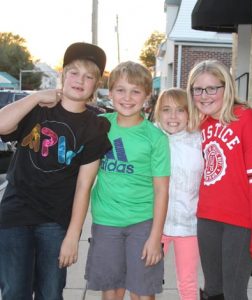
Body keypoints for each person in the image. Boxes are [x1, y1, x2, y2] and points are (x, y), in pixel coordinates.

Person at [0, 42, 112, 300]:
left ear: (95, 85)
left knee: (50, 293)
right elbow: (2, 124)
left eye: (89, 76)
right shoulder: (38, 110)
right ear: (63, 75)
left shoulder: (95, 127)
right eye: (74, 72)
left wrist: (74, 235)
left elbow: (85, 185)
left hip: (55, 221)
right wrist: (37, 96)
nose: (80, 80)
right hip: (15, 215)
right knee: (14, 291)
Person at [84, 61, 170, 300]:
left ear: (147, 96)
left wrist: (155, 237)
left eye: (135, 91)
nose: (127, 97)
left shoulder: (155, 138)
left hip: (142, 222)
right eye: (120, 90)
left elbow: (162, 190)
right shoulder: (101, 126)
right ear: (109, 93)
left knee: (143, 290)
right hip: (106, 221)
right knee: (111, 288)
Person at [186, 59, 252, 300]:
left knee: (233, 293)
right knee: (213, 290)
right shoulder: (198, 123)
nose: (204, 95)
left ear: (227, 87)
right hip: (207, 218)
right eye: (198, 89)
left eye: (212, 88)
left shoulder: (246, 118)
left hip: (239, 222)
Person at [154, 88, 203, 300]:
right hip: (156, 225)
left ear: (189, 113)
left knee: (188, 280)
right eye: (166, 110)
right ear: (158, 113)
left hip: (189, 223)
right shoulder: (151, 138)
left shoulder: (199, 141)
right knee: (146, 276)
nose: (173, 116)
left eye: (180, 110)